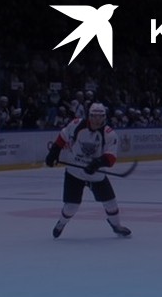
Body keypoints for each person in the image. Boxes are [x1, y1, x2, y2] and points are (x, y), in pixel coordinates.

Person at [44, 102, 131, 238]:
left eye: (100, 116)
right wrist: (53, 153)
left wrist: (96, 163)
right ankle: (61, 223)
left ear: (104, 117)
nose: (97, 120)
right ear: (89, 116)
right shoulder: (76, 124)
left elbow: (111, 158)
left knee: (110, 202)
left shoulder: (109, 134)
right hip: (74, 172)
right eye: (94, 116)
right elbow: (63, 136)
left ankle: (116, 225)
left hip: (96, 175)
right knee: (71, 206)